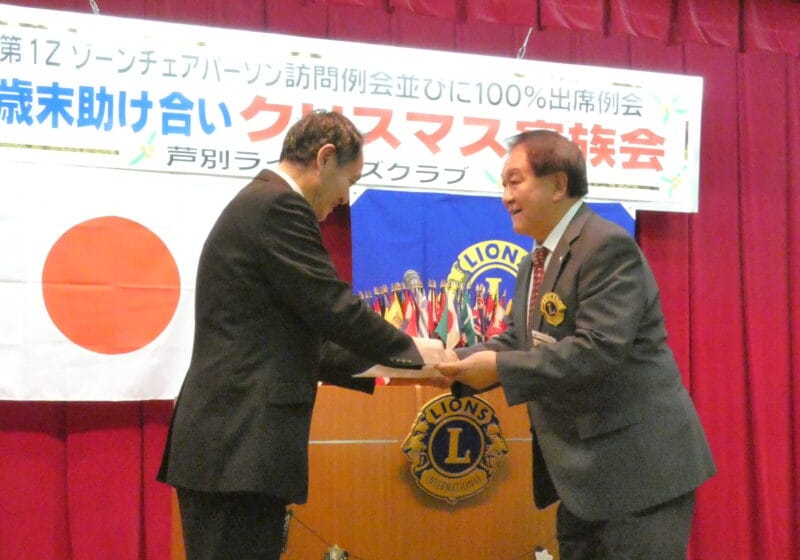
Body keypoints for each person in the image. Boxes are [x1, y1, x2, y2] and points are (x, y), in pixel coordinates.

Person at [437, 129, 715, 559]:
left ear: (557, 185)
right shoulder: (533, 262)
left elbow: (597, 350)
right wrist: (446, 361)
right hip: (584, 481)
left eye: (515, 181)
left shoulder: (606, 245)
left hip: (639, 476)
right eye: (503, 184)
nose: (505, 196)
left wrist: (498, 369)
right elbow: (517, 340)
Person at [158, 110, 423, 560]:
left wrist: (393, 363)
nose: (345, 197)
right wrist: (412, 350)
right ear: (325, 158)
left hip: (232, 449)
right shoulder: (279, 206)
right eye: (349, 181)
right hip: (235, 447)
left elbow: (297, 338)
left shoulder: (263, 201)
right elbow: (331, 304)